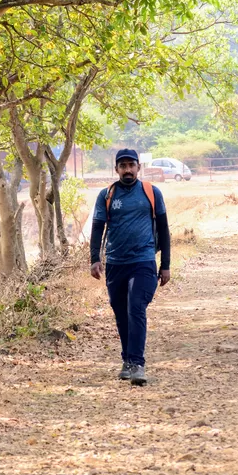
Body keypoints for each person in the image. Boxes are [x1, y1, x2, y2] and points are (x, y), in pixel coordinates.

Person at [89, 148, 171, 386]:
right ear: (116, 169)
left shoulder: (151, 193)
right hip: (115, 263)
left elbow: (164, 229)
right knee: (121, 313)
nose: (127, 169)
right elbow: (97, 228)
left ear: (138, 167)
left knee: (136, 306)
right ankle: (127, 360)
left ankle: (137, 363)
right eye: (122, 165)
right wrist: (95, 258)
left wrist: (165, 264)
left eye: (131, 165)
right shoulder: (107, 195)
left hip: (144, 261)